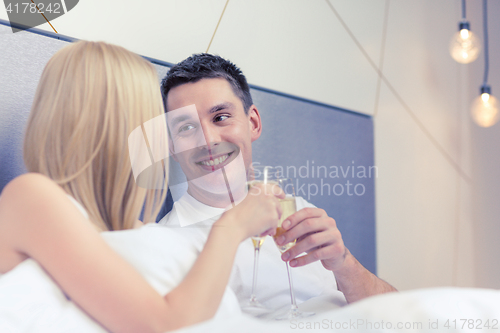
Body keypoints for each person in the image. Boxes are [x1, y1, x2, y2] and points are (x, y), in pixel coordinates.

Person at [0, 41, 284, 332]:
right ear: (118, 127)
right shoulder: (32, 197)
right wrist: (233, 227)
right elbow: (164, 325)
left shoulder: (130, 231)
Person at [159, 53, 397, 310]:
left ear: (253, 123)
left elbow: (399, 314)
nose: (207, 140)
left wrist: (344, 263)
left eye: (220, 117)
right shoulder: (167, 242)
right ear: (173, 146)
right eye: (186, 128)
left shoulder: (294, 209)